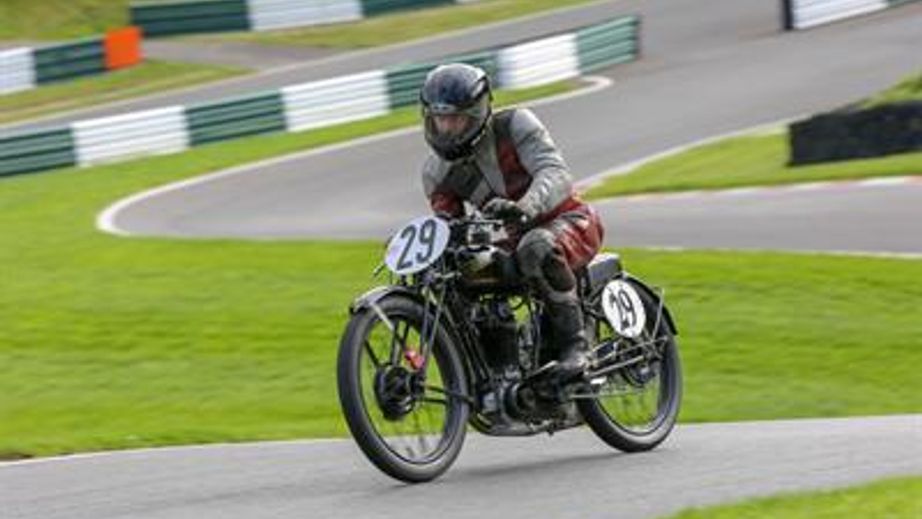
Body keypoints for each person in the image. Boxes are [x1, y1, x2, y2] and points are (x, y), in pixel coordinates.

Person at [419, 63, 604, 380]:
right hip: (509, 243)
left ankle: (577, 348)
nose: (447, 128)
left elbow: (556, 173)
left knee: (536, 245)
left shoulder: (516, 125)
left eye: (455, 118)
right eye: (440, 119)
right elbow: (447, 224)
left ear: (477, 113)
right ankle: (494, 370)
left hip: (569, 221)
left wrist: (526, 207)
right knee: (456, 273)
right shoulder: (435, 172)